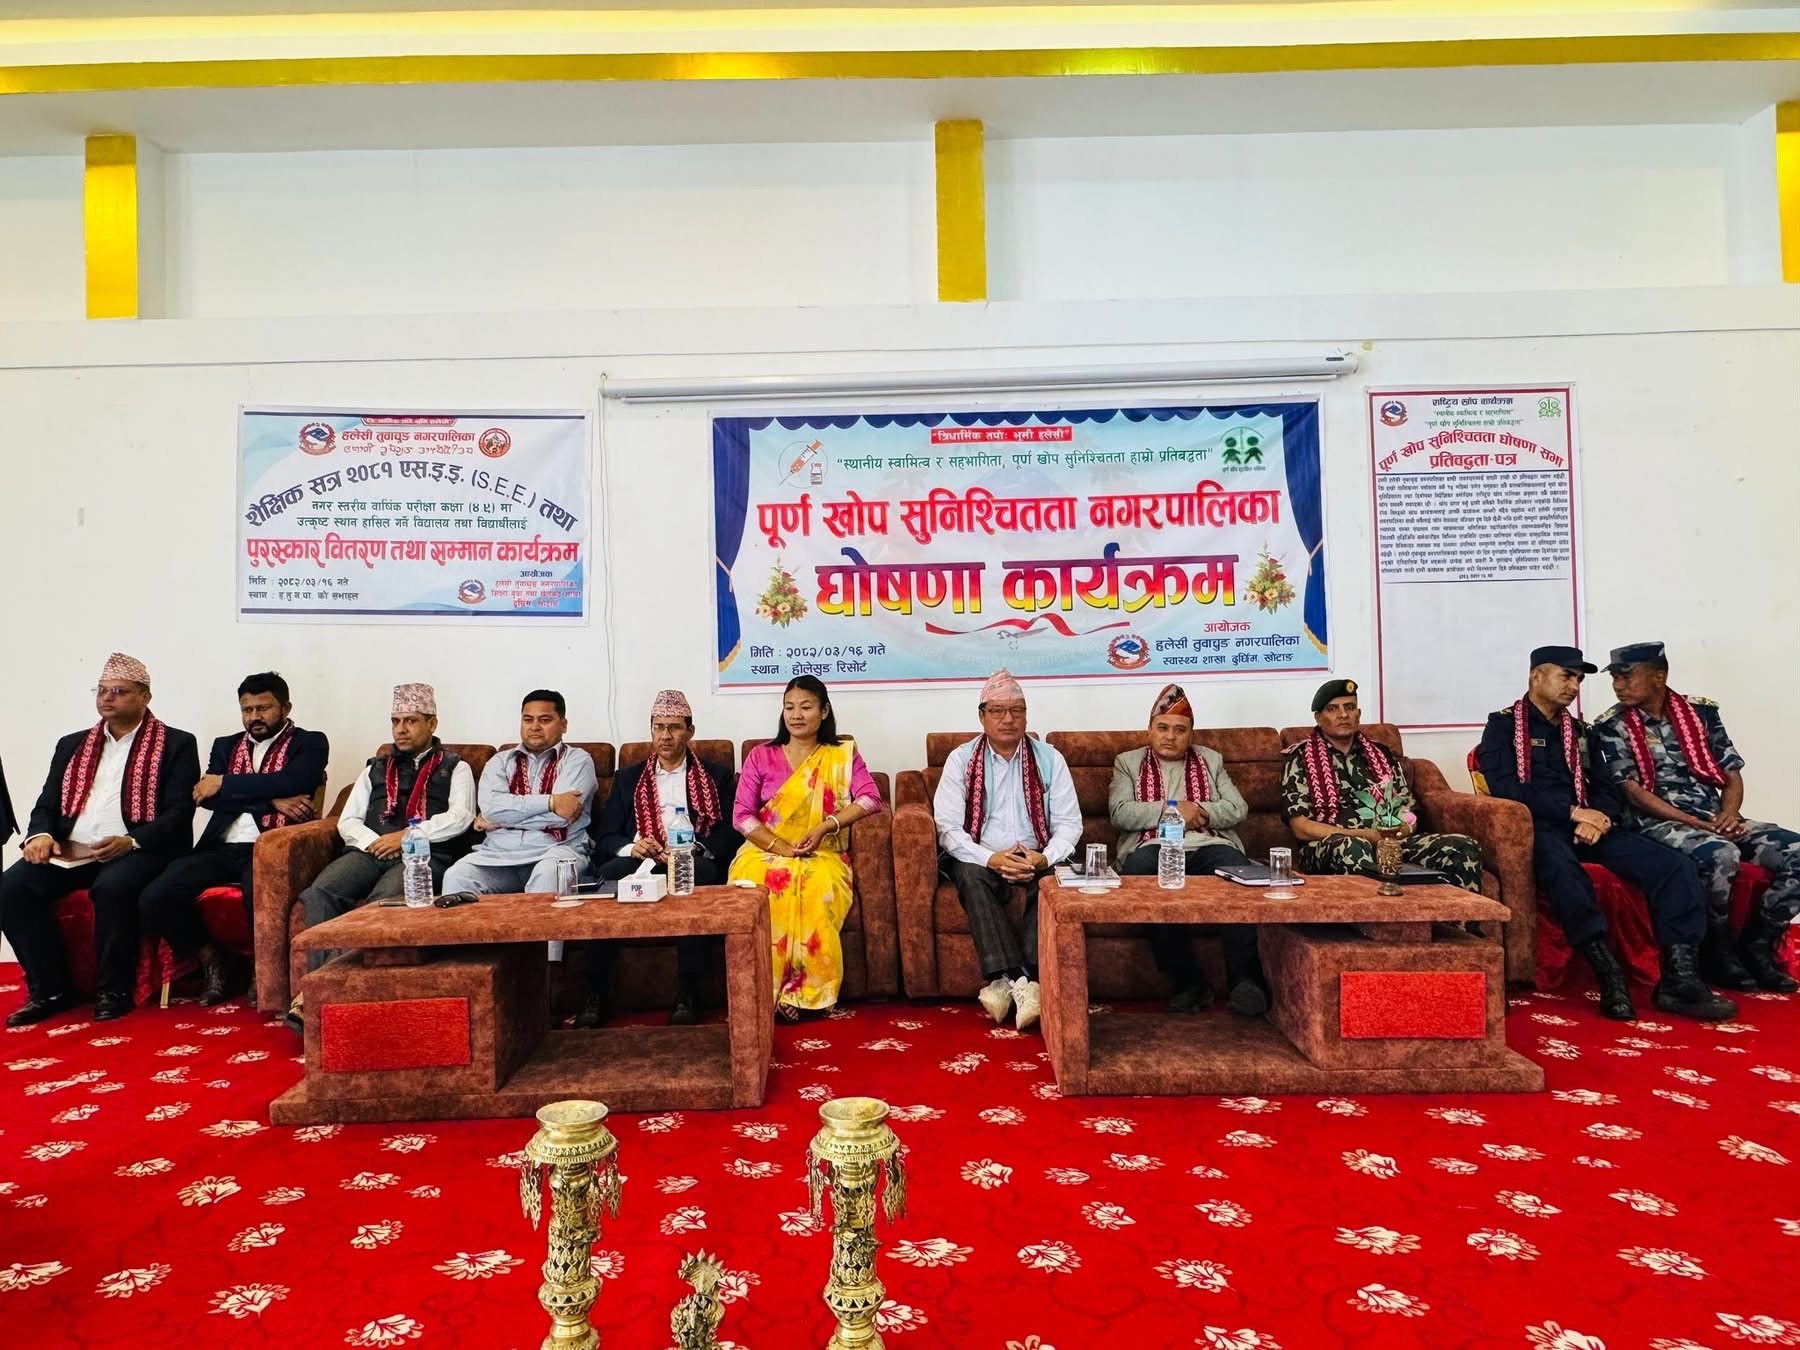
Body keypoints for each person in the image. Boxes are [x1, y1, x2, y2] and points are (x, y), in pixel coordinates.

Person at [1476, 645, 1734, 1024]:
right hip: (1539, 828)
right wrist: (1572, 812)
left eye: (1579, 679)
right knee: (1564, 872)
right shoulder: (1503, 727)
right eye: (1566, 676)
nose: (1574, 686)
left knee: (1674, 866)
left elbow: (1609, 785)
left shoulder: (1583, 731)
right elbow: (1506, 788)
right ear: (1536, 676)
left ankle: (1680, 979)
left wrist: (1599, 818)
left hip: (1592, 826)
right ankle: (1608, 972)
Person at [0, 653, 200, 1025]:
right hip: (72, 850)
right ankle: (50, 990)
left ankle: (114, 990)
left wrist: (131, 841)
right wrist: (40, 835)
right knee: (11, 888)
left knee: (112, 887)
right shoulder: (72, 744)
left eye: (119, 691)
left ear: (145, 696)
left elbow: (179, 813)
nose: (107, 698)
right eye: (102, 690)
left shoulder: (176, 744)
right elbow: (47, 803)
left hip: (138, 849)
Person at [1592, 642, 1798, 994]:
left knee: (1795, 851)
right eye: (1615, 678)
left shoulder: (1700, 714)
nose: (1618, 685)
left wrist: (1728, 815)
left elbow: (1730, 772)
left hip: (1713, 815)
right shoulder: (1613, 726)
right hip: (1657, 822)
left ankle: (1758, 943)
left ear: (1658, 677)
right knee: (1721, 853)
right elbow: (1634, 793)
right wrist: (1701, 825)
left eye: (1626, 676)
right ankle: (1716, 948)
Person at [137, 672, 329, 1006]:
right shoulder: (225, 745)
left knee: (261, 892)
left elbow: (295, 780)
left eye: (263, 708)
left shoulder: (310, 742)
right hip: (221, 845)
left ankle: (262, 970)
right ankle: (212, 958)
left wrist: (225, 783)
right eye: (247, 709)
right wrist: (270, 800)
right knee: (154, 896)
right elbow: (206, 798)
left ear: (286, 708)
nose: (254, 717)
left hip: (271, 847)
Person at [290, 683, 475, 1024]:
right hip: (369, 850)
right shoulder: (375, 767)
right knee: (320, 892)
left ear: (432, 723)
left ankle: (320, 995)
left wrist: (404, 837)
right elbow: (348, 820)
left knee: (383, 901)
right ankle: (320, 992)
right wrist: (375, 843)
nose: (401, 729)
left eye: (411, 721)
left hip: (423, 855)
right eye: (396, 721)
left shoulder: (455, 766)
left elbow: (460, 817)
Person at [931, 668, 1082, 1031]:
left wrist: (1044, 857)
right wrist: (990, 858)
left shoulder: (1049, 759)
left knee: (1053, 879)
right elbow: (947, 828)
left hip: (1036, 856)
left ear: (1027, 716)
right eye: (997, 711)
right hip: (982, 857)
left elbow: (1070, 823)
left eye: (1017, 710)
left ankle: (1008, 983)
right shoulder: (961, 760)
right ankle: (1022, 980)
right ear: (981, 717)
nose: (1008, 719)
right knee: (968, 874)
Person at [728, 675, 882, 1020]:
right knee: (760, 883)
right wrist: (779, 846)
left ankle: (809, 995)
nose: (796, 715)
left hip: (821, 851)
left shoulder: (841, 755)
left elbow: (871, 799)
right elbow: (741, 817)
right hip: (764, 851)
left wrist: (828, 825)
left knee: (816, 884)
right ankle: (763, 993)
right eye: (789, 707)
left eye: (806, 707)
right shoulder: (761, 756)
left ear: (824, 711)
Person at [1110, 683, 1268, 1016]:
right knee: (1138, 875)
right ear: (1149, 730)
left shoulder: (1211, 760)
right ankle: (1188, 981)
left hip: (1209, 843)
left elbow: (1237, 808)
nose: (1170, 736)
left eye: (1180, 730)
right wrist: (1173, 809)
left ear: (1190, 735)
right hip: (1152, 844)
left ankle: (1246, 981)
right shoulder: (1128, 762)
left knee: (1240, 875)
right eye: (1162, 728)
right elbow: (1120, 812)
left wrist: (1200, 811)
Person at [583, 689, 739, 1027]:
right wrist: (632, 847)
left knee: (694, 876)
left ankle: (688, 991)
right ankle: (595, 993)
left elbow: (730, 832)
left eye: (674, 727)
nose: (665, 735)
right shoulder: (628, 778)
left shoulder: (717, 776)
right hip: (641, 857)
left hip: (689, 856)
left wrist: (695, 848)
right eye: (658, 727)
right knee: (607, 879)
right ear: (651, 730)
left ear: (690, 731)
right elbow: (606, 836)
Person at [1282, 678, 1484, 893]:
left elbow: (1407, 810)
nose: (1343, 715)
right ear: (1318, 718)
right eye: (1333, 709)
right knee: (1352, 847)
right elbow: (1301, 827)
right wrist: (1362, 835)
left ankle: (1459, 916)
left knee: (1462, 847)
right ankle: (1375, 915)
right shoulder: (1301, 758)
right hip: (1332, 847)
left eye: (1349, 707)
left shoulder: (1381, 755)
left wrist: (1402, 830)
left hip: (1390, 841)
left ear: (1358, 714)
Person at [441, 690, 596, 897]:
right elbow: (492, 809)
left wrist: (500, 819)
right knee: (456, 876)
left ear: (564, 725)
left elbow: (561, 817)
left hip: (556, 851)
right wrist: (551, 802)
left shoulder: (578, 760)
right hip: (497, 854)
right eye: (528, 719)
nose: (535, 727)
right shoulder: (499, 761)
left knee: (549, 873)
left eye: (545, 720)